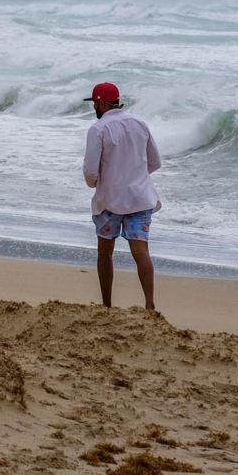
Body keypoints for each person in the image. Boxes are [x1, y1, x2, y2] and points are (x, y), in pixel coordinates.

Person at [82, 82, 161, 311]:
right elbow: (155, 162)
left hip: (110, 201)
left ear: (102, 103)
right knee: (141, 250)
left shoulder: (98, 129)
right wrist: (133, 177)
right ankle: (149, 305)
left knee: (105, 251)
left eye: (95, 103)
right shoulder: (139, 123)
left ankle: (106, 305)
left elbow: (90, 172)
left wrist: (96, 184)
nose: (94, 107)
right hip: (140, 198)